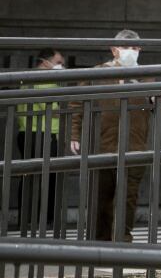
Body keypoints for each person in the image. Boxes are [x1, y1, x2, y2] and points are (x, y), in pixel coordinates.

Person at [69, 30, 149, 242]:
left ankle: (122, 239)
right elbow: (78, 104)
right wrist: (75, 134)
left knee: (128, 196)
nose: (130, 52)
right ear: (114, 50)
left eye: (134, 48)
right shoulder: (98, 73)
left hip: (134, 146)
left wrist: (155, 94)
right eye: (125, 48)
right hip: (102, 143)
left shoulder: (147, 74)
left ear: (140, 50)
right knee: (101, 196)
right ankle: (99, 241)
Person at [15, 48, 65, 227]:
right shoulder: (44, 80)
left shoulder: (29, 78)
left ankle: (28, 218)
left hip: (30, 133)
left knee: (30, 175)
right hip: (41, 134)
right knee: (46, 178)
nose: (62, 66)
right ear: (45, 62)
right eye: (59, 62)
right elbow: (57, 110)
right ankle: (43, 219)